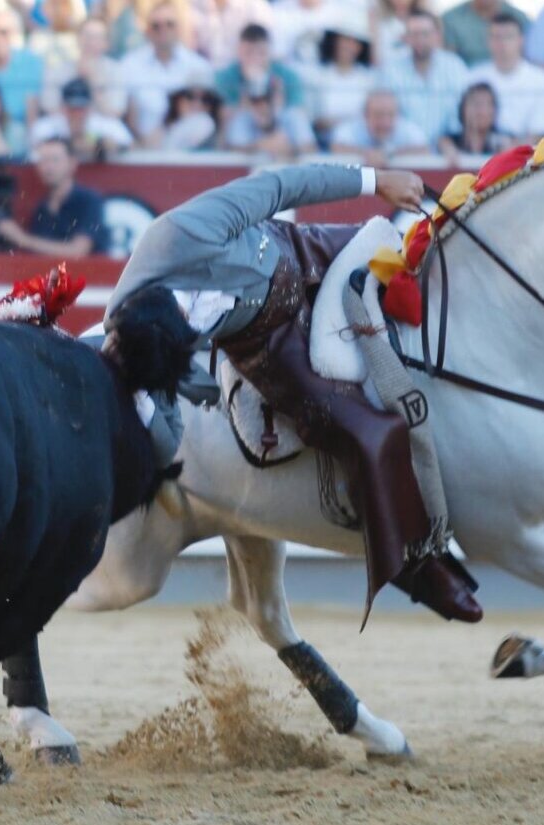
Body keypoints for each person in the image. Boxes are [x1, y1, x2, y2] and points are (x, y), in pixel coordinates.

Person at [100, 163, 482, 623]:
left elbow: (283, 185)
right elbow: (165, 438)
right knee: (363, 430)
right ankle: (414, 562)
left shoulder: (183, 232)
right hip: (268, 341)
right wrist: (146, 412)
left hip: (306, 255)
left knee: (426, 271)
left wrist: (377, 181)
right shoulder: (139, 347)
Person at [0, 136, 107, 256]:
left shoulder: (89, 201)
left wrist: (22, 239)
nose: (48, 167)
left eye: (55, 160)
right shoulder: (41, 208)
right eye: (43, 161)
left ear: (72, 163)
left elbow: (78, 251)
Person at [120, 0, 212, 138]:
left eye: (169, 24)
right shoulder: (129, 65)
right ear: (147, 30)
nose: (163, 30)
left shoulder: (198, 66)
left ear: (178, 28)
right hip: (140, 145)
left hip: (184, 143)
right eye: (156, 26)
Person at [467, 14, 544, 140]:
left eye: (508, 37)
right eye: (496, 37)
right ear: (488, 41)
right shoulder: (473, 78)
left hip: (529, 151)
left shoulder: (543, 81)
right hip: (481, 151)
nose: (502, 43)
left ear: (521, 40)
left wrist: (512, 147)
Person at [383, 10, 469, 146]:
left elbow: (463, 113)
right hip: (403, 150)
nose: (420, 40)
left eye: (425, 34)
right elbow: (384, 115)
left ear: (437, 36)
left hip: (448, 152)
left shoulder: (455, 66)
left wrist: (449, 141)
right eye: (414, 34)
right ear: (406, 37)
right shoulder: (390, 69)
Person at [305, 9, 376, 145]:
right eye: (344, 40)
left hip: (362, 147)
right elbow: (314, 120)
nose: (348, 46)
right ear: (335, 42)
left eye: (354, 42)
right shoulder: (317, 76)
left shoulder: (369, 79)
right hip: (325, 147)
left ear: (360, 47)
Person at [39, 17, 127, 118]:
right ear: (77, 39)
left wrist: (92, 81)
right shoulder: (60, 69)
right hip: (65, 121)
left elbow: (116, 111)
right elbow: (48, 106)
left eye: (97, 37)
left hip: (102, 121)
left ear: (106, 43)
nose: (91, 42)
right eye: (87, 36)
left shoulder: (115, 70)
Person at [30, 77, 134, 158]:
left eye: (81, 109)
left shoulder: (105, 123)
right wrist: (73, 143)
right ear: (63, 108)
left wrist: (99, 143)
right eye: (72, 109)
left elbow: (128, 145)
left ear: (90, 108)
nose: (77, 114)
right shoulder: (48, 125)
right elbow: (37, 146)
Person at [223, 72, 318, 158]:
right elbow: (233, 149)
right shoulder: (243, 119)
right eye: (255, 101)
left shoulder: (293, 116)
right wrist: (261, 145)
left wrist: (290, 149)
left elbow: (311, 149)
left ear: (278, 99)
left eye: (267, 100)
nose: (261, 106)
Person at [215, 23, 305, 111]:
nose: (255, 58)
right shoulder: (224, 78)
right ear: (239, 51)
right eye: (248, 53)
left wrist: (277, 103)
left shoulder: (288, 77)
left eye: (262, 53)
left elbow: (298, 111)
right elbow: (223, 116)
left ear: (270, 52)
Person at [330, 88, 429, 163]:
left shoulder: (407, 128)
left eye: (390, 115)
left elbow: (424, 149)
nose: (385, 122)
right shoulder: (352, 128)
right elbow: (336, 147)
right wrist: (366, 153)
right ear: (365, 115)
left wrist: (389, 155)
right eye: (379, 115)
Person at [438, 81, 514, 164]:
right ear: (463, 108)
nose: (482, 111)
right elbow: (442, 142)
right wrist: (448, 149)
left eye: (488, 104)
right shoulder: (450, 142)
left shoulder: (503, 140)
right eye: (476, 104)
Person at [441, 0, 530, 67]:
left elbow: (528, 57)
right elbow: (448, 61)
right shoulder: (451, 19)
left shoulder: (519, 18)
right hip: (466, 81)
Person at [188, 0, 272, 68]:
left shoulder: (255, 7)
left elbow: (265, 58)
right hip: (202, 78)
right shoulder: (191, 6)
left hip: (242, 79)